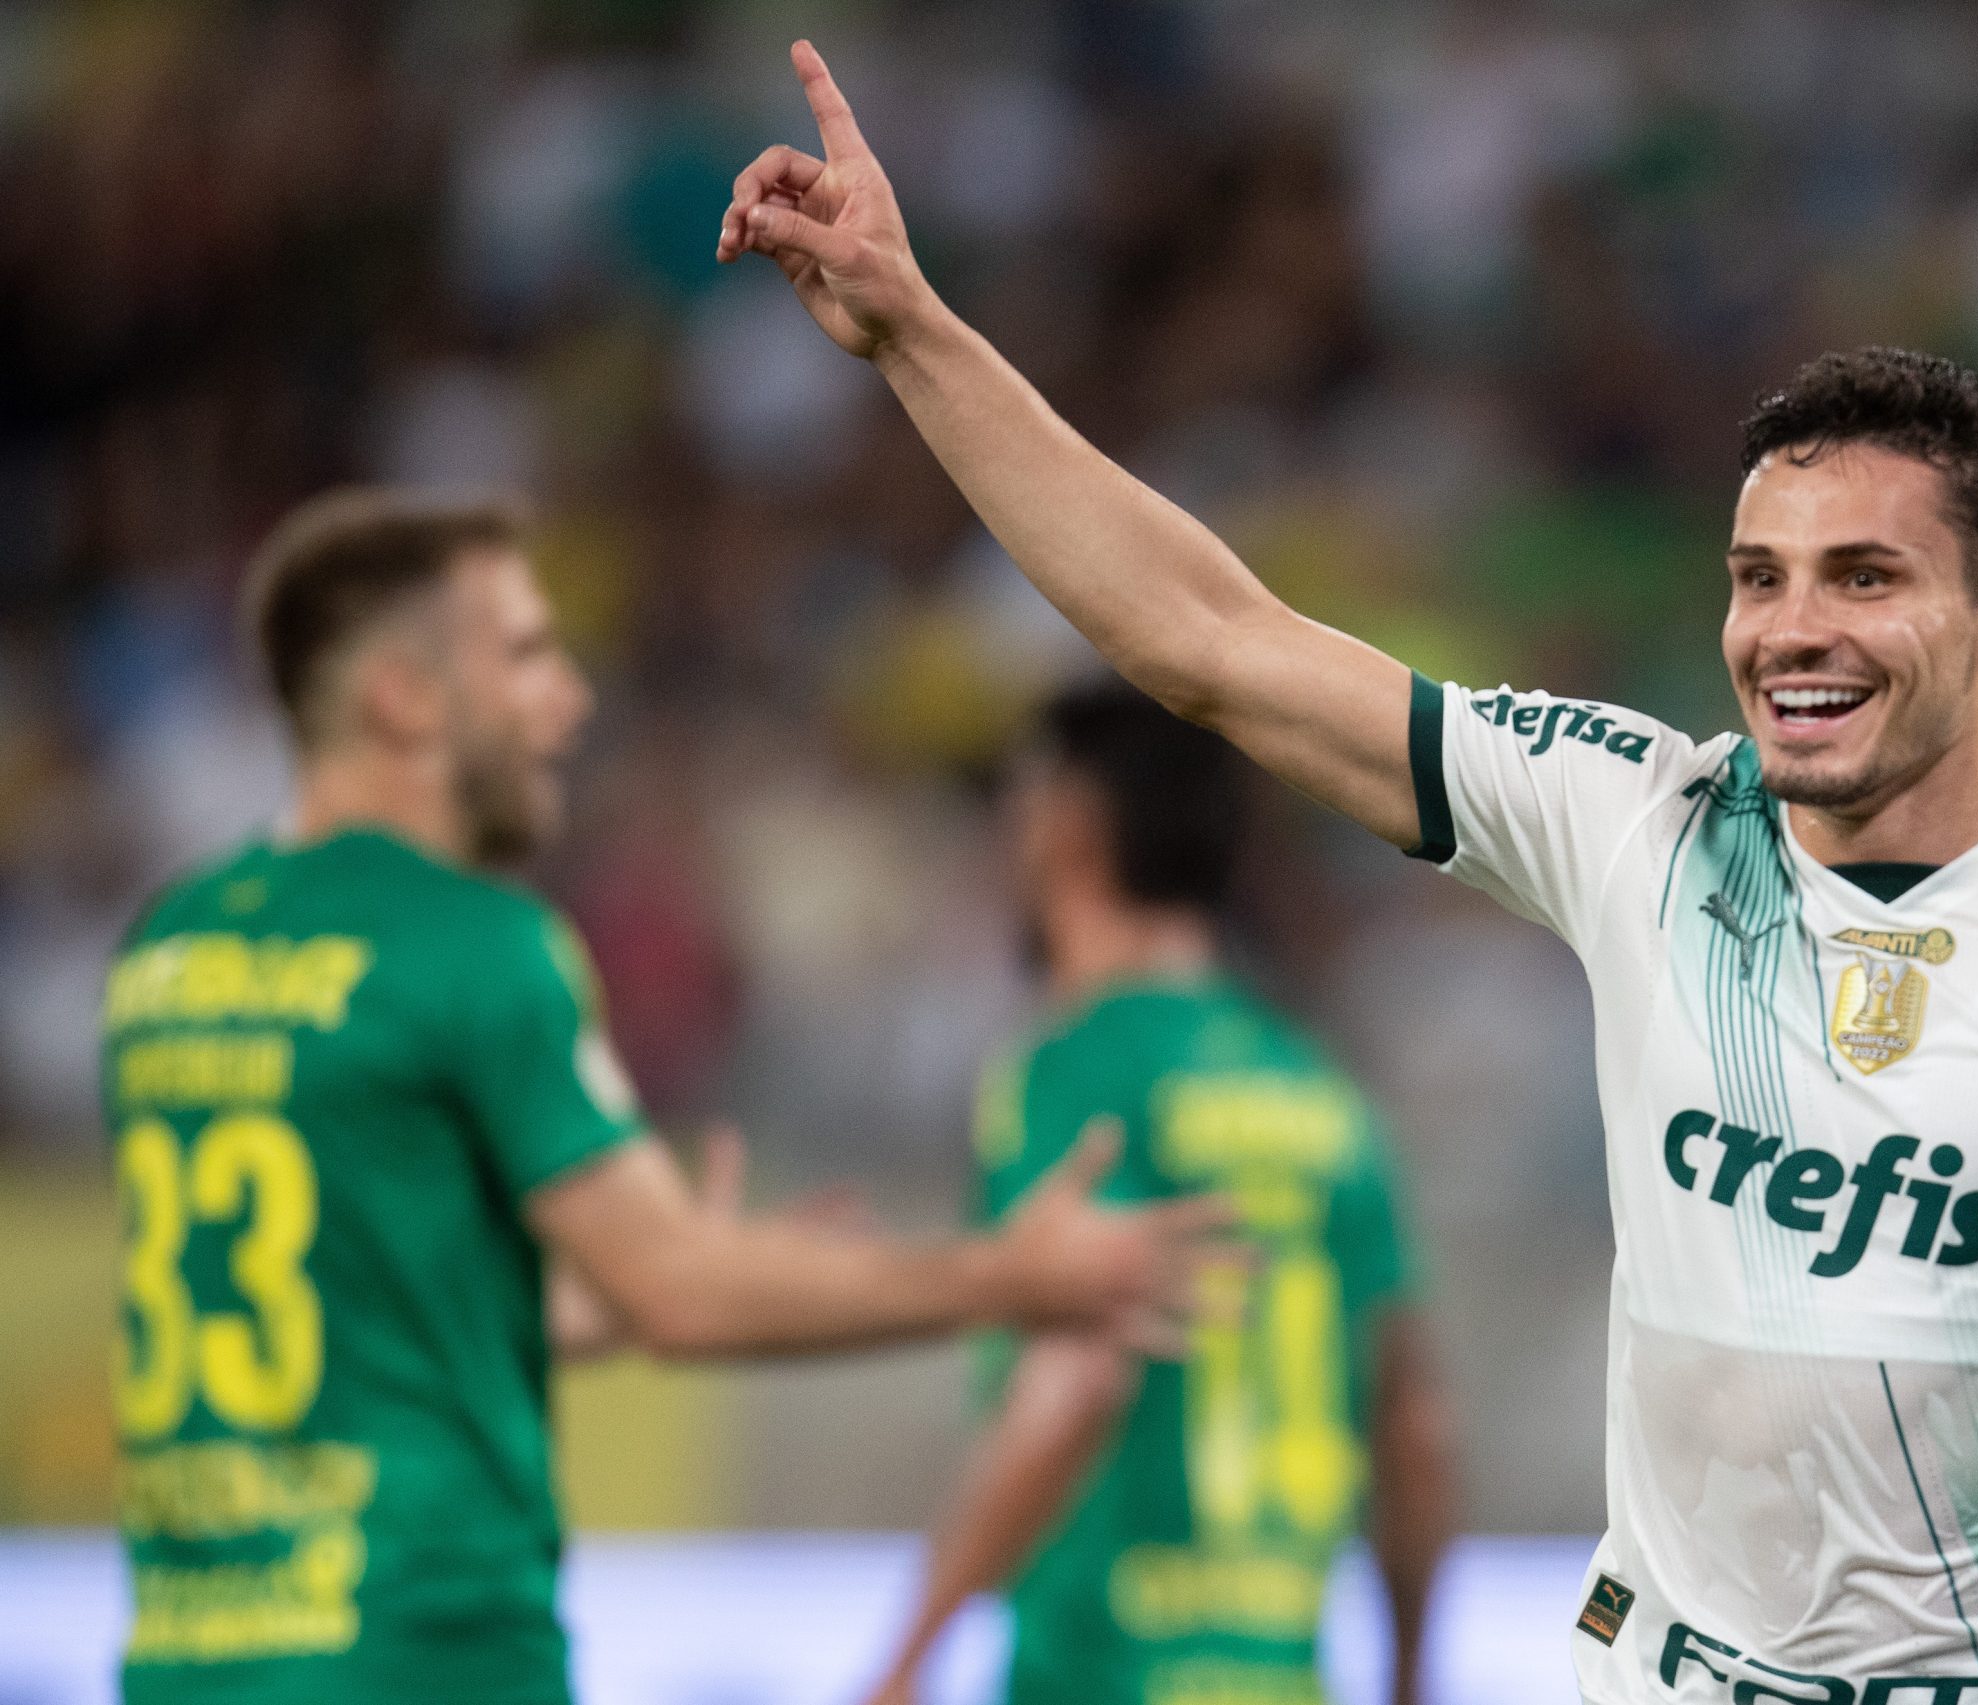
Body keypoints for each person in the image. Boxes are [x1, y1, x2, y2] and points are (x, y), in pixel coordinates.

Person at [718, 42, 1978, 1704]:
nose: (1791, 629)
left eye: (1864, 577)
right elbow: (1212, 641)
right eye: (1760, 577)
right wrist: (915, 333)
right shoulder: (1635, 816)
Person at [101, 489, 1226, 1705]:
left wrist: (630, 1285)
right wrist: (1013, 1275)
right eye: (525, 655)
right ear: (403, 696)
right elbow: (682, 1295)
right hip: (421, 1652)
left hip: (189, 1656)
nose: (569, 700)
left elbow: (357, 1304)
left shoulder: (171, 945)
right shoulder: (474, 946)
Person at [860, 681, 1455, 1705]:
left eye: (1019, 802)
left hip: (1102, 1674)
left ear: (1071, 825)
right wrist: (1407, 1677)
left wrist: (907, 1658)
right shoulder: (1320, 1088)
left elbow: (1076, 1374)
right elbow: (1414, 1425)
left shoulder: (1074, 1067)